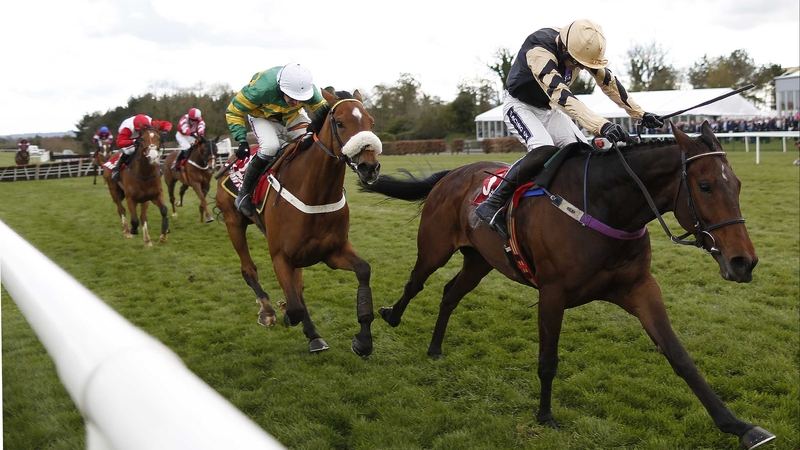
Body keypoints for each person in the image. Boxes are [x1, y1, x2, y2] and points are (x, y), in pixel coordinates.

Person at [475, 19, 664, 239]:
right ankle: (493, 203)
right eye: (578, 63)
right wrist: (602, 125)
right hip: (520, 106)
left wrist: (640, 113)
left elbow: (609, 83)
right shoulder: (539, 51)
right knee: (543, 149)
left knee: (584, 152)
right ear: (565, 48)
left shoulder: (579, 44)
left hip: (548, 109)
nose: (582, 68)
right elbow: (562, 96)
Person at [225, 63, 327, 216]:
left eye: (300, 98)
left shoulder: (309, 90)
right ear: (281, 88)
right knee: (270, 147)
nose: (296, 102)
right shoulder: (260, 89)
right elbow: (234, 110)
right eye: (292, 97)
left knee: (313, 144)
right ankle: (244, 194)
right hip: (262, 117)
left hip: (292, 117)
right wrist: (241, 140)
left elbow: (324, 112)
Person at [112, 114, 172, 182]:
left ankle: (157, 166)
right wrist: (133, 141)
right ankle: (117, 169)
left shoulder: (150, 124)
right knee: (129, 151)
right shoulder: (127, 129)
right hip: (130, 138)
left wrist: (165, 131)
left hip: (145, 137)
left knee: (152, 148)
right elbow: (119, 142)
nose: (140, 131)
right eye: (139, 130)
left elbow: (167, 124)